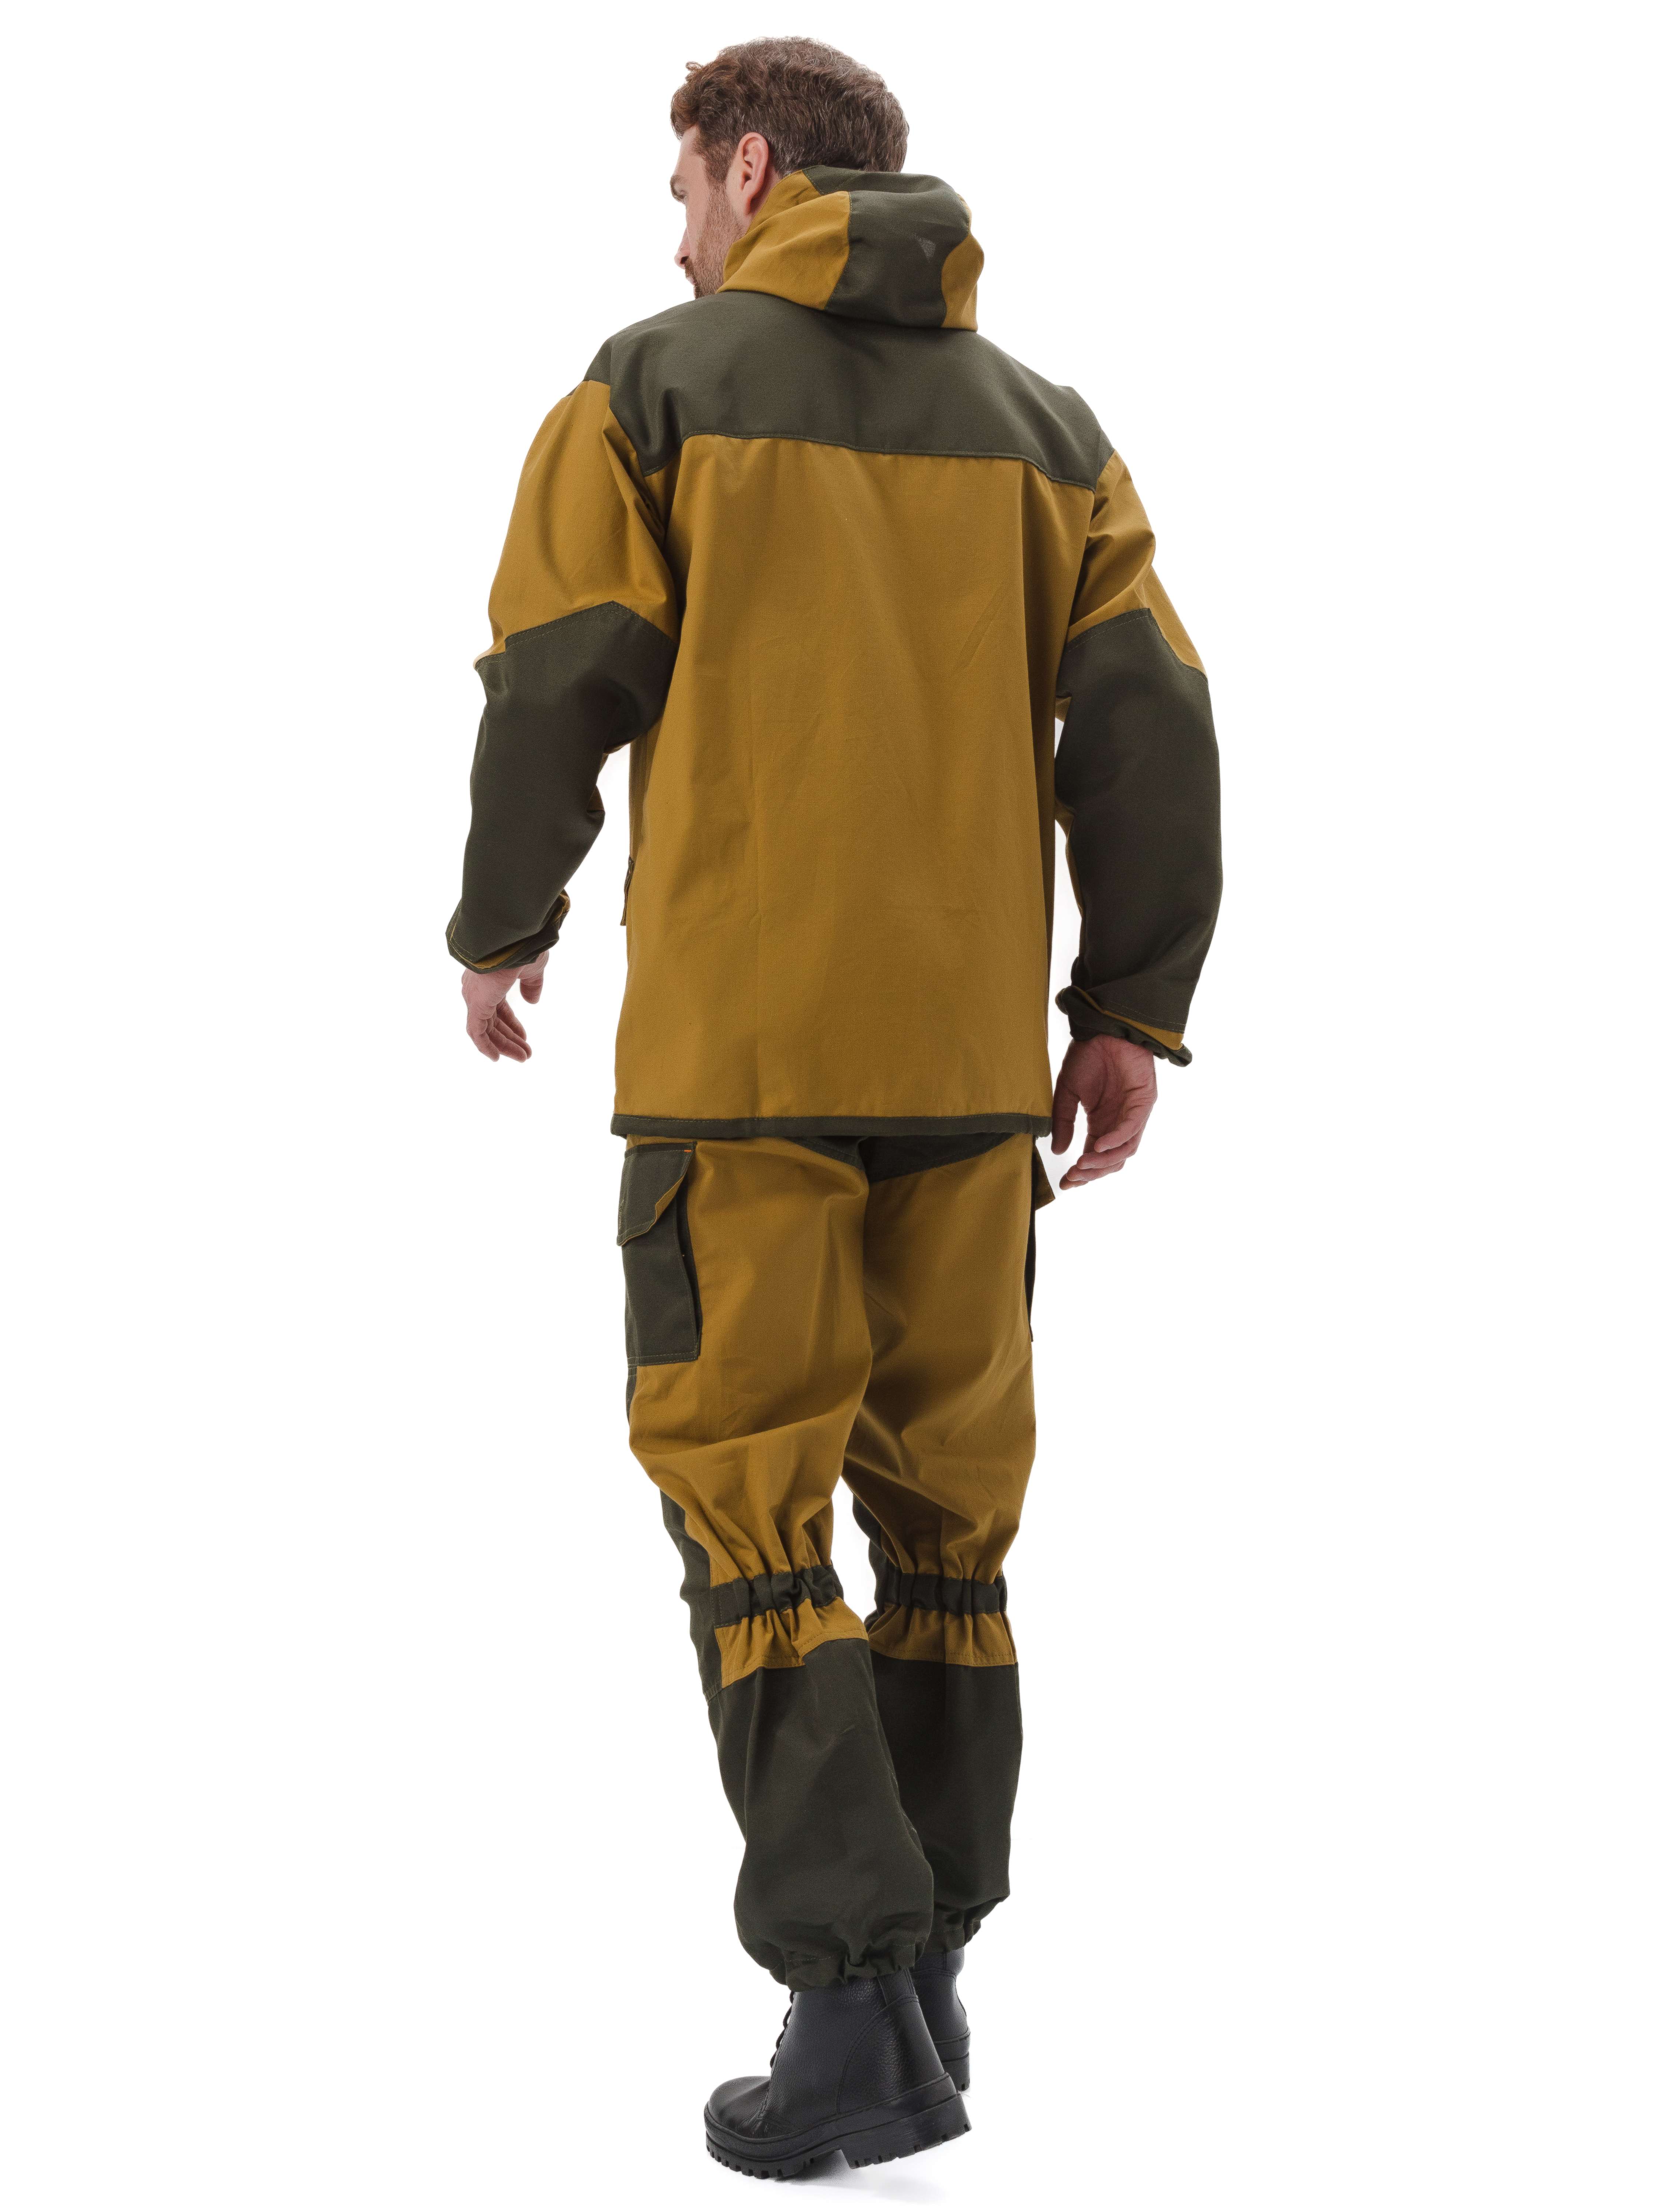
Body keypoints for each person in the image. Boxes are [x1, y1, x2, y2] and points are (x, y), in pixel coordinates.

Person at [448, 36, 1221, 2179]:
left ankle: (855, 2008)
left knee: (751, 1512)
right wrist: (1129, 1008)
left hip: (748, 1069)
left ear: (753, 164)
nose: (673, 234)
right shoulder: (1049, 429)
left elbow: (558, 670)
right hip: (970, 1087)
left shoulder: (651, 389)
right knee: (950, 1527)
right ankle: (931, 1975)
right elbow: (1152, 716)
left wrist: (499, 922)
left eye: (682, 188)